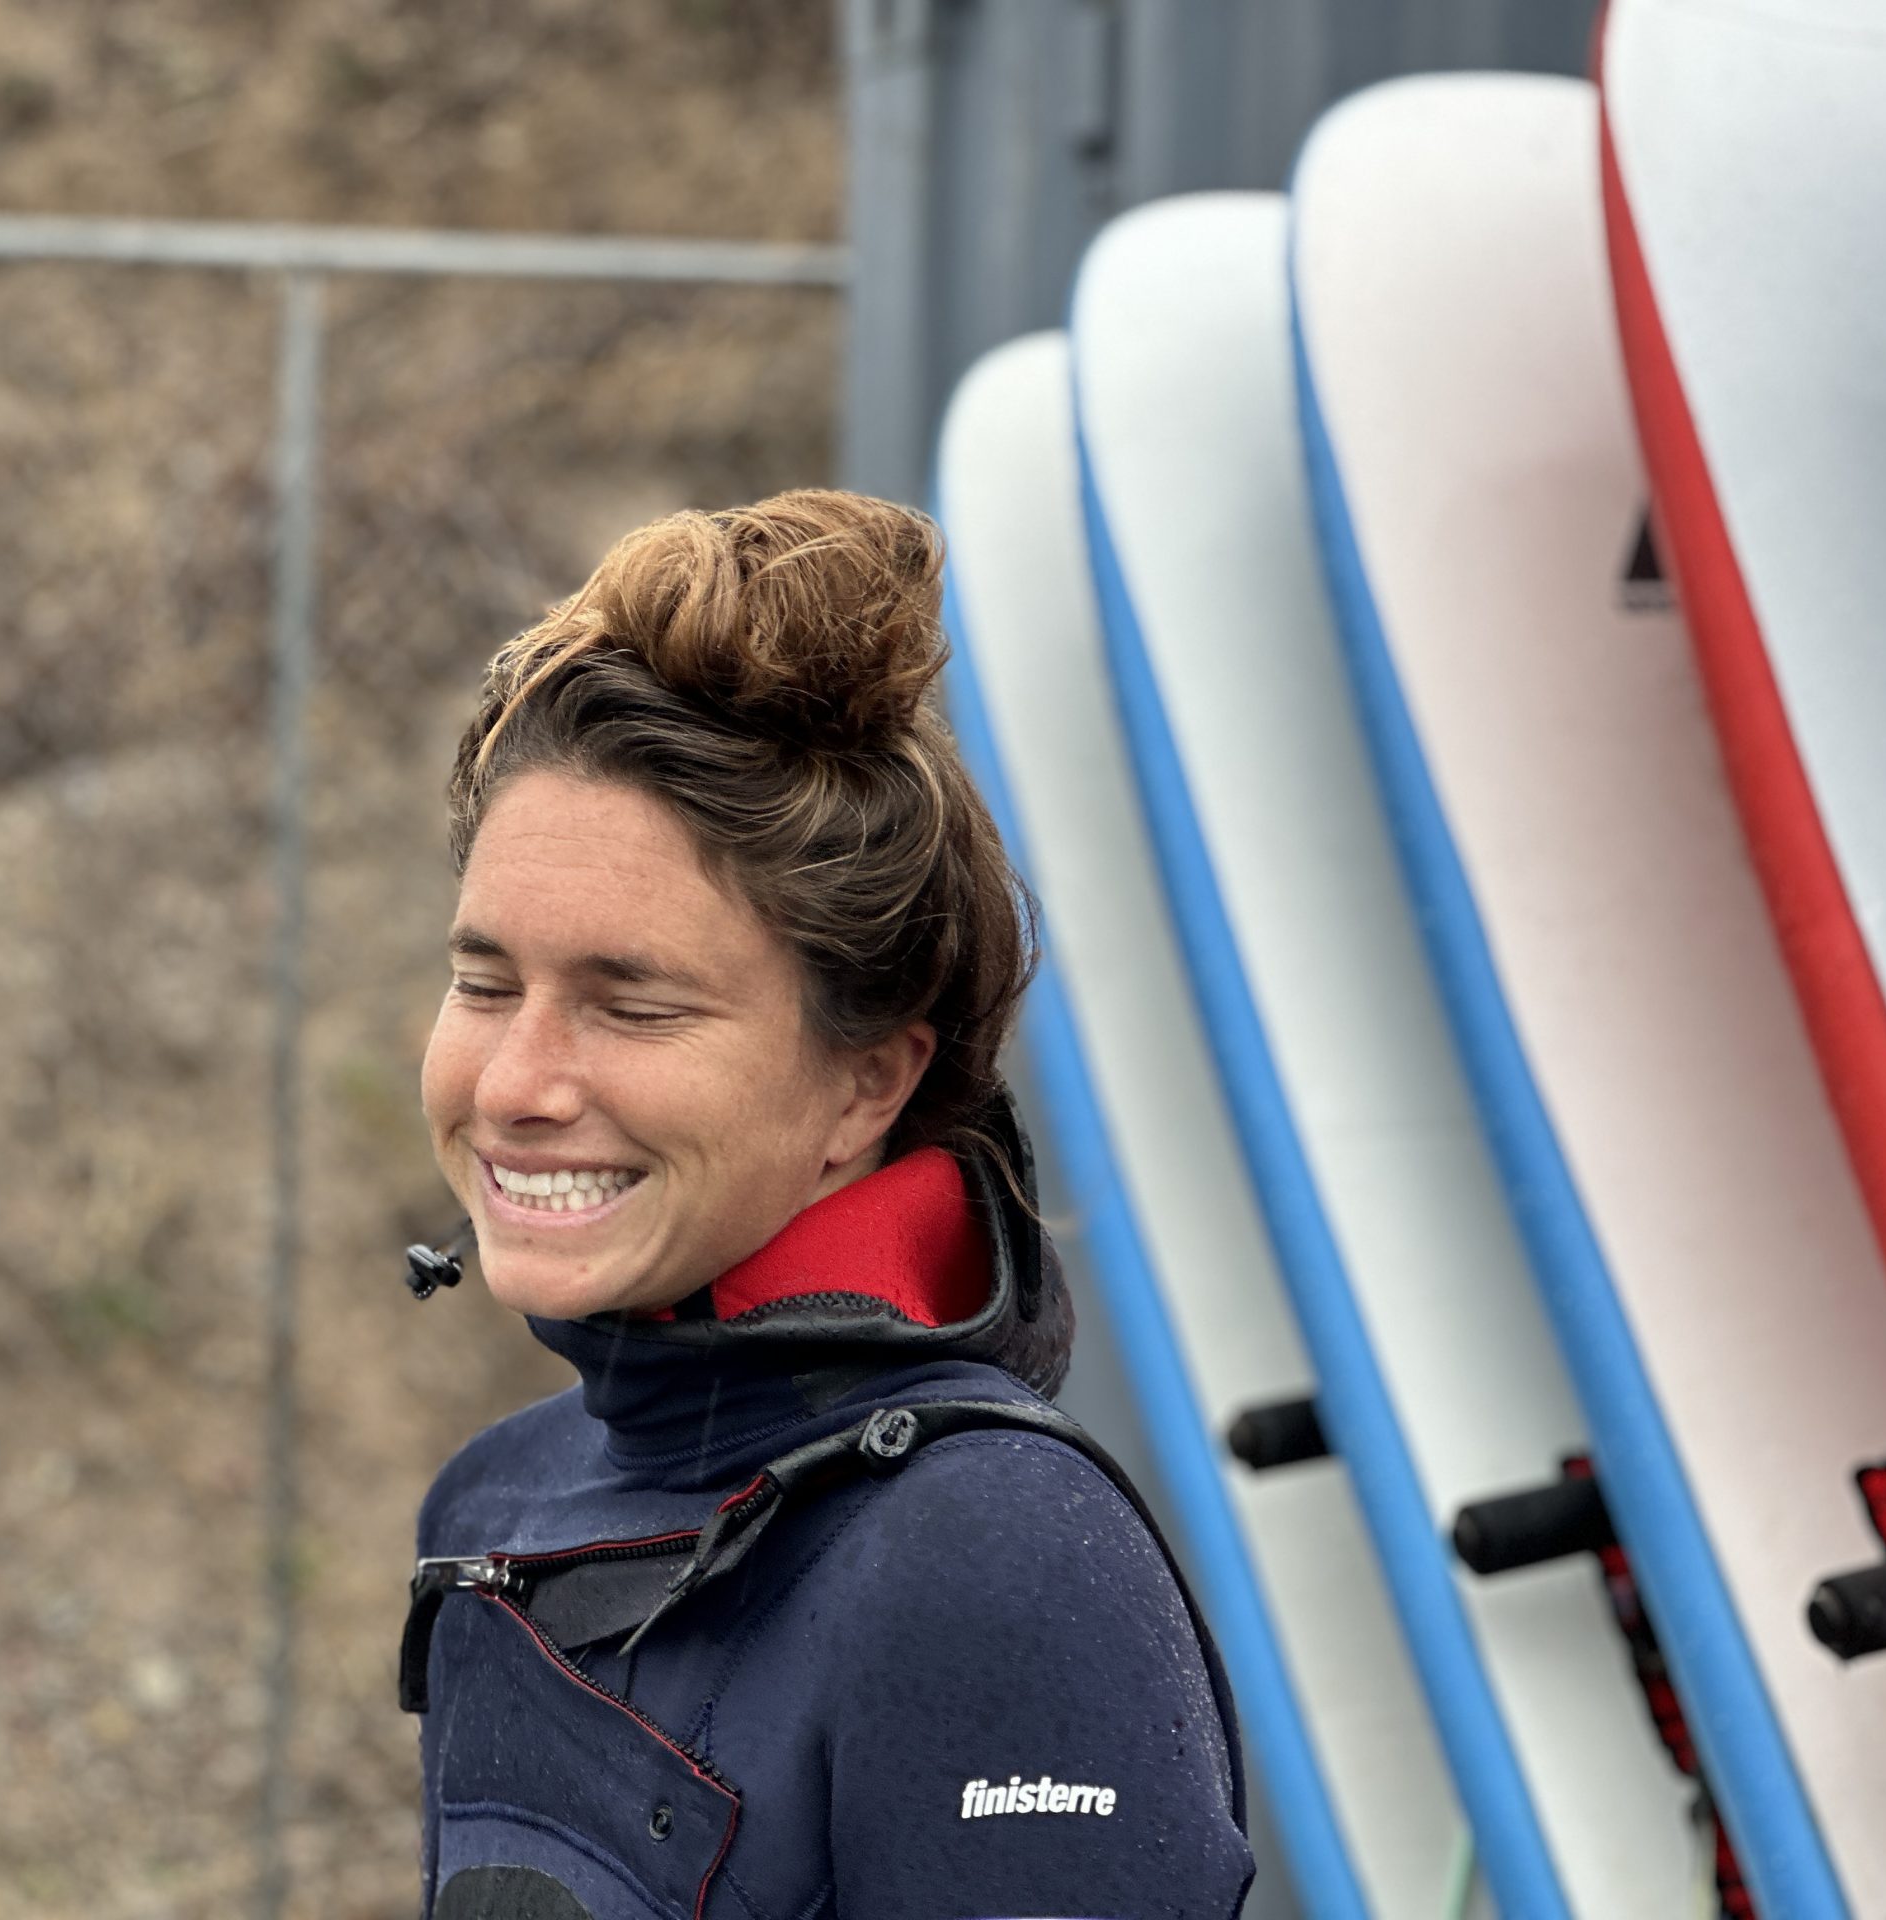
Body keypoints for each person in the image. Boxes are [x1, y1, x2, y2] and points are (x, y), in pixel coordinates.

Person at [402, 489, 1255, 1919]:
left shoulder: (993, 1562)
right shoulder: (501, 1498)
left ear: (867, 1085)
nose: (515, 1081)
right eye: (487, 984)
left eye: (634, 1004)